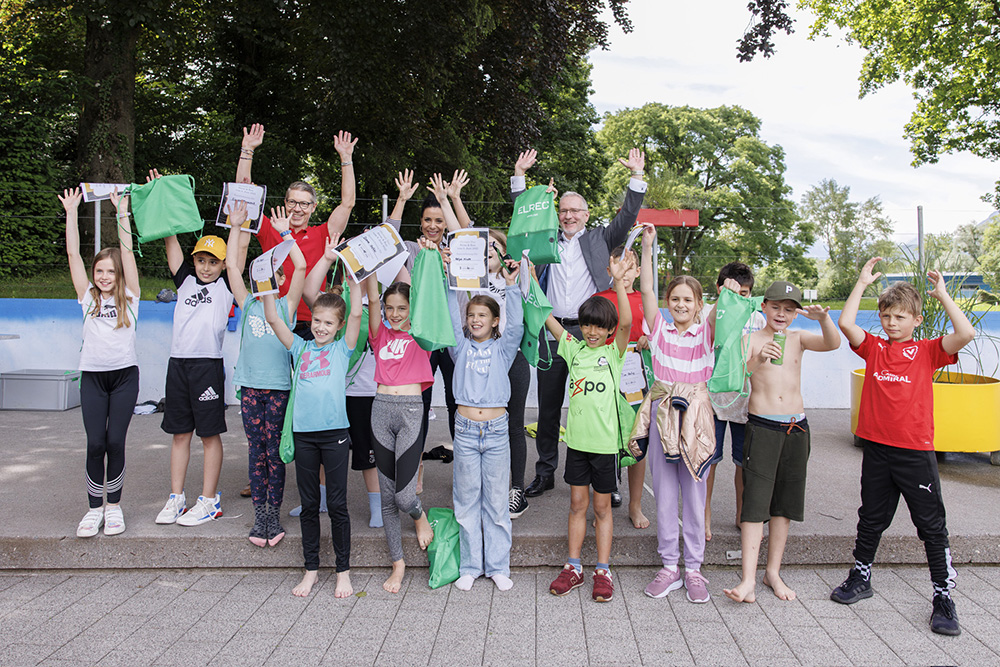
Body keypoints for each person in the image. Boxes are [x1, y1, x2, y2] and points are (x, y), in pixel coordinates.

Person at [829, 258, 974, 636]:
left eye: (901, 317)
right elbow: (846, 324)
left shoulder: (927, 351)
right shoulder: (875, 348)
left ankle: (943, 597)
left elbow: (966, 333)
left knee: (931, 526)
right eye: (887, 316)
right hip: (877, 449)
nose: (892, 323)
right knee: (872, 517)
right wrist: (860, 283)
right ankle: (860, 578)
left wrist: (942, 295)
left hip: (915, 453)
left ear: (916, 320)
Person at [512, 147, 647, 501]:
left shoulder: (601, 237)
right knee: (549, 405)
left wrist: (636, 175)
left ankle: (609, 479)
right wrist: (520, 177)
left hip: (595, 334)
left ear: (587, 215)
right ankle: (545, 472)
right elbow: (524, 216)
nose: (569, 216)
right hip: (554, 332)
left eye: (575, 211)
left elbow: (629, 214)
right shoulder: (544, 237)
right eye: (564, 210)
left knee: (604, 407)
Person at [723, 280, 841, 603]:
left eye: (789, 310)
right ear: (763, 306)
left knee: (784, 506)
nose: (781, 314)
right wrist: (758, 358)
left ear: (795, 314)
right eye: (776, 307)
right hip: (762, 427)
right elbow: (735, 378)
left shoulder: (798, 338)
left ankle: (772, 571)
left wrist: (823, 319)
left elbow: (833, 344)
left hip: (796, 428)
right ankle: (747, 578)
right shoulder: (749, 339)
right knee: (755, 504)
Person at [263, 236, 363, 598]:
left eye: (327, 323)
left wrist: (352, 275)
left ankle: (343, 570)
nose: (320, 327)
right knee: (309, 506)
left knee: (336, 505)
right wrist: (267, 283)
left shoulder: (342, 349)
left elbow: (355, 312)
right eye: (317, 321)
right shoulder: (301, 347)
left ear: (337, 327)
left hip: (336, 435)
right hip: (303, 435)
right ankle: (310, 570)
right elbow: (274, 319)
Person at [140, 167, 234, 527]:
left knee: (209, 434)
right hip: (178, 365)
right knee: (180, 433)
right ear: (193, 260)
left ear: (223, 265)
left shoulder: (226, 287)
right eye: (201, 260)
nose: (206, 266)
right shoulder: (184, 280)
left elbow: (236, 253)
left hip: (207, 367)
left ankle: (209, 499)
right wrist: (164, 191)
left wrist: (236, 226)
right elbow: (171, 237)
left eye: (213, 262)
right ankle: (176, 497)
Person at [438, 224, 524, 591]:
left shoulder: (504, 349)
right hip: (467, 430)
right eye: (471, 316)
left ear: (493, 321)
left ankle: (498, 566)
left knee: (496, 499)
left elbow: (517, 322)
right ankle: (472, 565)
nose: (475, 320)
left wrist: (513, 285)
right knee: (467, 498)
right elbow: (446, 312)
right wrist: (446, 276)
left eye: (482, 316)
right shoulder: (459, 347)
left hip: (497, 430)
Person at [636, 225, 718, 604]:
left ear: (700, 304)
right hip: (662, 415)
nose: (681, 304)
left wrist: (731, 293)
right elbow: (647, 290)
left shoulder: (705, 334)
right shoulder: (660, 331)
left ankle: (694, 569)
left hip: (696, 419)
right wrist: (648, 246)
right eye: (676, 299)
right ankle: (669, 565)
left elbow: (727, 311)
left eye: (688, 299)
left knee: (694, 492)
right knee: (666, 494)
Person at [545, 255, 632, 603]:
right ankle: (573, 567)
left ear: (609, 330)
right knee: (577, 505)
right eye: (587, 325)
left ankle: (603, 570)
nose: (592, 331)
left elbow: (626, 321)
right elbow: (546, 317)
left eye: (599, 326)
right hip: (577, 445)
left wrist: (620, 282)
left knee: (602, 509)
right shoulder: (574, 349)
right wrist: (525, 277)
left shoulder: (613, 353)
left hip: (606, 447)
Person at [225, 202, 306, 546]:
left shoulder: (286, 306)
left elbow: (301, 265)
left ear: (282, 279)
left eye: (274, 274)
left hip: (278, 391)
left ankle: (274, 513)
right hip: (250, 390)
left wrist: (286, 234)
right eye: (262, 274)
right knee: (255, 452)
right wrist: (237, 226)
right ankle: (260, 518)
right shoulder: (248, 304)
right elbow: (231, 264)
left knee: (275, 453)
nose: (267, 280)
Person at [62, 187, 140, 538]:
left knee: (115, 443)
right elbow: (73, 254)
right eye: (100, 270)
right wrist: (71, 213)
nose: (104, 276)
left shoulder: (131, 296)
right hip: (93, 378)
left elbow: (127, 251)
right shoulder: (87, 298)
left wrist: (122, 212)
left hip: (124, 377)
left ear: (119, 273)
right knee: (95, 443)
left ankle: (114, 507)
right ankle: (94, 509)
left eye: (110, 271)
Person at [386, 169, 473, 476]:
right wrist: (401, 199)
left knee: (456, 400)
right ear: (420, 222)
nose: (434, 225)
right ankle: (415, 469)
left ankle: (464, 468)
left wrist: (453, 198)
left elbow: (468, 231)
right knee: (417, 405)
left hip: (454, 338)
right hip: (420, 341)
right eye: (428, 220)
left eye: (439, 220)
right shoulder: (411, 250)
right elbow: (387, 239)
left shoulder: (457, 251)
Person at [236, 123, 357, 338]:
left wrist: (346, 159)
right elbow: (244, 195)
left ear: (313, 207)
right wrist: (247, 151)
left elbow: (347, 203)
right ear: (285, 202)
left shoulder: (322, 234)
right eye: (292, 202)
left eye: (304, 204)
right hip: (274, 318)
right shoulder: (271, 227)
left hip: (312, 321)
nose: (297, 209)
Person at [365, 275, 437, 593]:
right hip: (380, 411)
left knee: (405, 496)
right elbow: (370, 298)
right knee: (387, 497)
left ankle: (419, 515)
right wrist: (368, 269)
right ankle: (398, 563)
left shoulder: (422, 334)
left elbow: (425, 295)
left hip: (410, 411)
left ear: (412, 309)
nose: (395, 314)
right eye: (390, 308)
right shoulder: (378, 333)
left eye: (402, 308)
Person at [705, 262, 765, 541]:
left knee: (744, 463)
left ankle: (742, 516)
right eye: (734, 292)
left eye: (746, 293)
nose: (741, 297)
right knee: (709, 461)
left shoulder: (758, 318)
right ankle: (703, 517)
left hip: (746, 402)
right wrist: (723, 301)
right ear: (719, 289)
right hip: (713, 400)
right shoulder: (711, 311)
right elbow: (710, 331)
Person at [594, 245, 650, 529]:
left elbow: (660, 334)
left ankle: (635, 505)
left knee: (636, 440)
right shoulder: (599, 299)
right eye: (619, 267)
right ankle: (601, 507)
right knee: (603, 442)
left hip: (635, 380)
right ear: (609, 271)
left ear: (638, 271)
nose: (625, 274)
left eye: (630, 268)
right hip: (604, 378)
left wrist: (648, 341)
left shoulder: (646, 301)